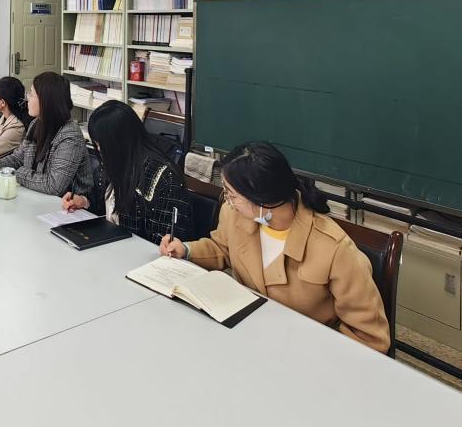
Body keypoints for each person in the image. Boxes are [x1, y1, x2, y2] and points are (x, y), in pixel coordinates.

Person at [158, 141, 391, 353]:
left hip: (305, 351)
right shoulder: (235, 214)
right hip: (249, 334)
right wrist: (186, 250)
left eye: (232, 195)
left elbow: (369, 337)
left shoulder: (334, 249)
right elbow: (222, 248)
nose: (228, 201)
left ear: (262, 199)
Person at [61, 101, 193, 245]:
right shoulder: (112, 165)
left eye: (101, 145)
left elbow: (164, 243)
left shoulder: (164, 179)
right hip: (109, 245)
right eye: (97, 144)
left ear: (118, 143)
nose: (99, 150)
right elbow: (102, 204)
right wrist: (84, 202)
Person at [0, 72, 92, 197]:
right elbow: (18, 157)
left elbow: (53, 186)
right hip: (37, 195)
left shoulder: (70, 135)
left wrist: (15, 173)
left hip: (67, 205)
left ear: (45, 100)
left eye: (31, 94)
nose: (27, 99)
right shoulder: (36, 123)